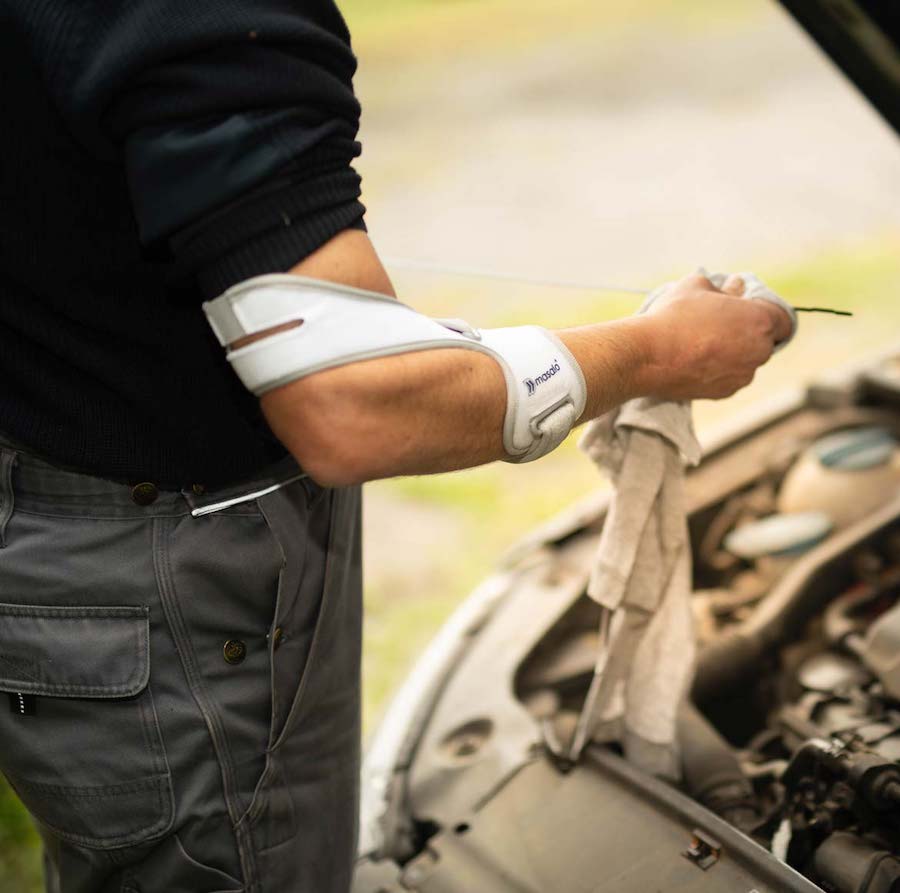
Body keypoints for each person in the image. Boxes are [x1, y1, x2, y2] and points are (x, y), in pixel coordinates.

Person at [0, 1, 791, 891]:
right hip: (174, 589)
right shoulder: (214, 14)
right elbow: (350, 405)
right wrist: (657, 352)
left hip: (59, 523)